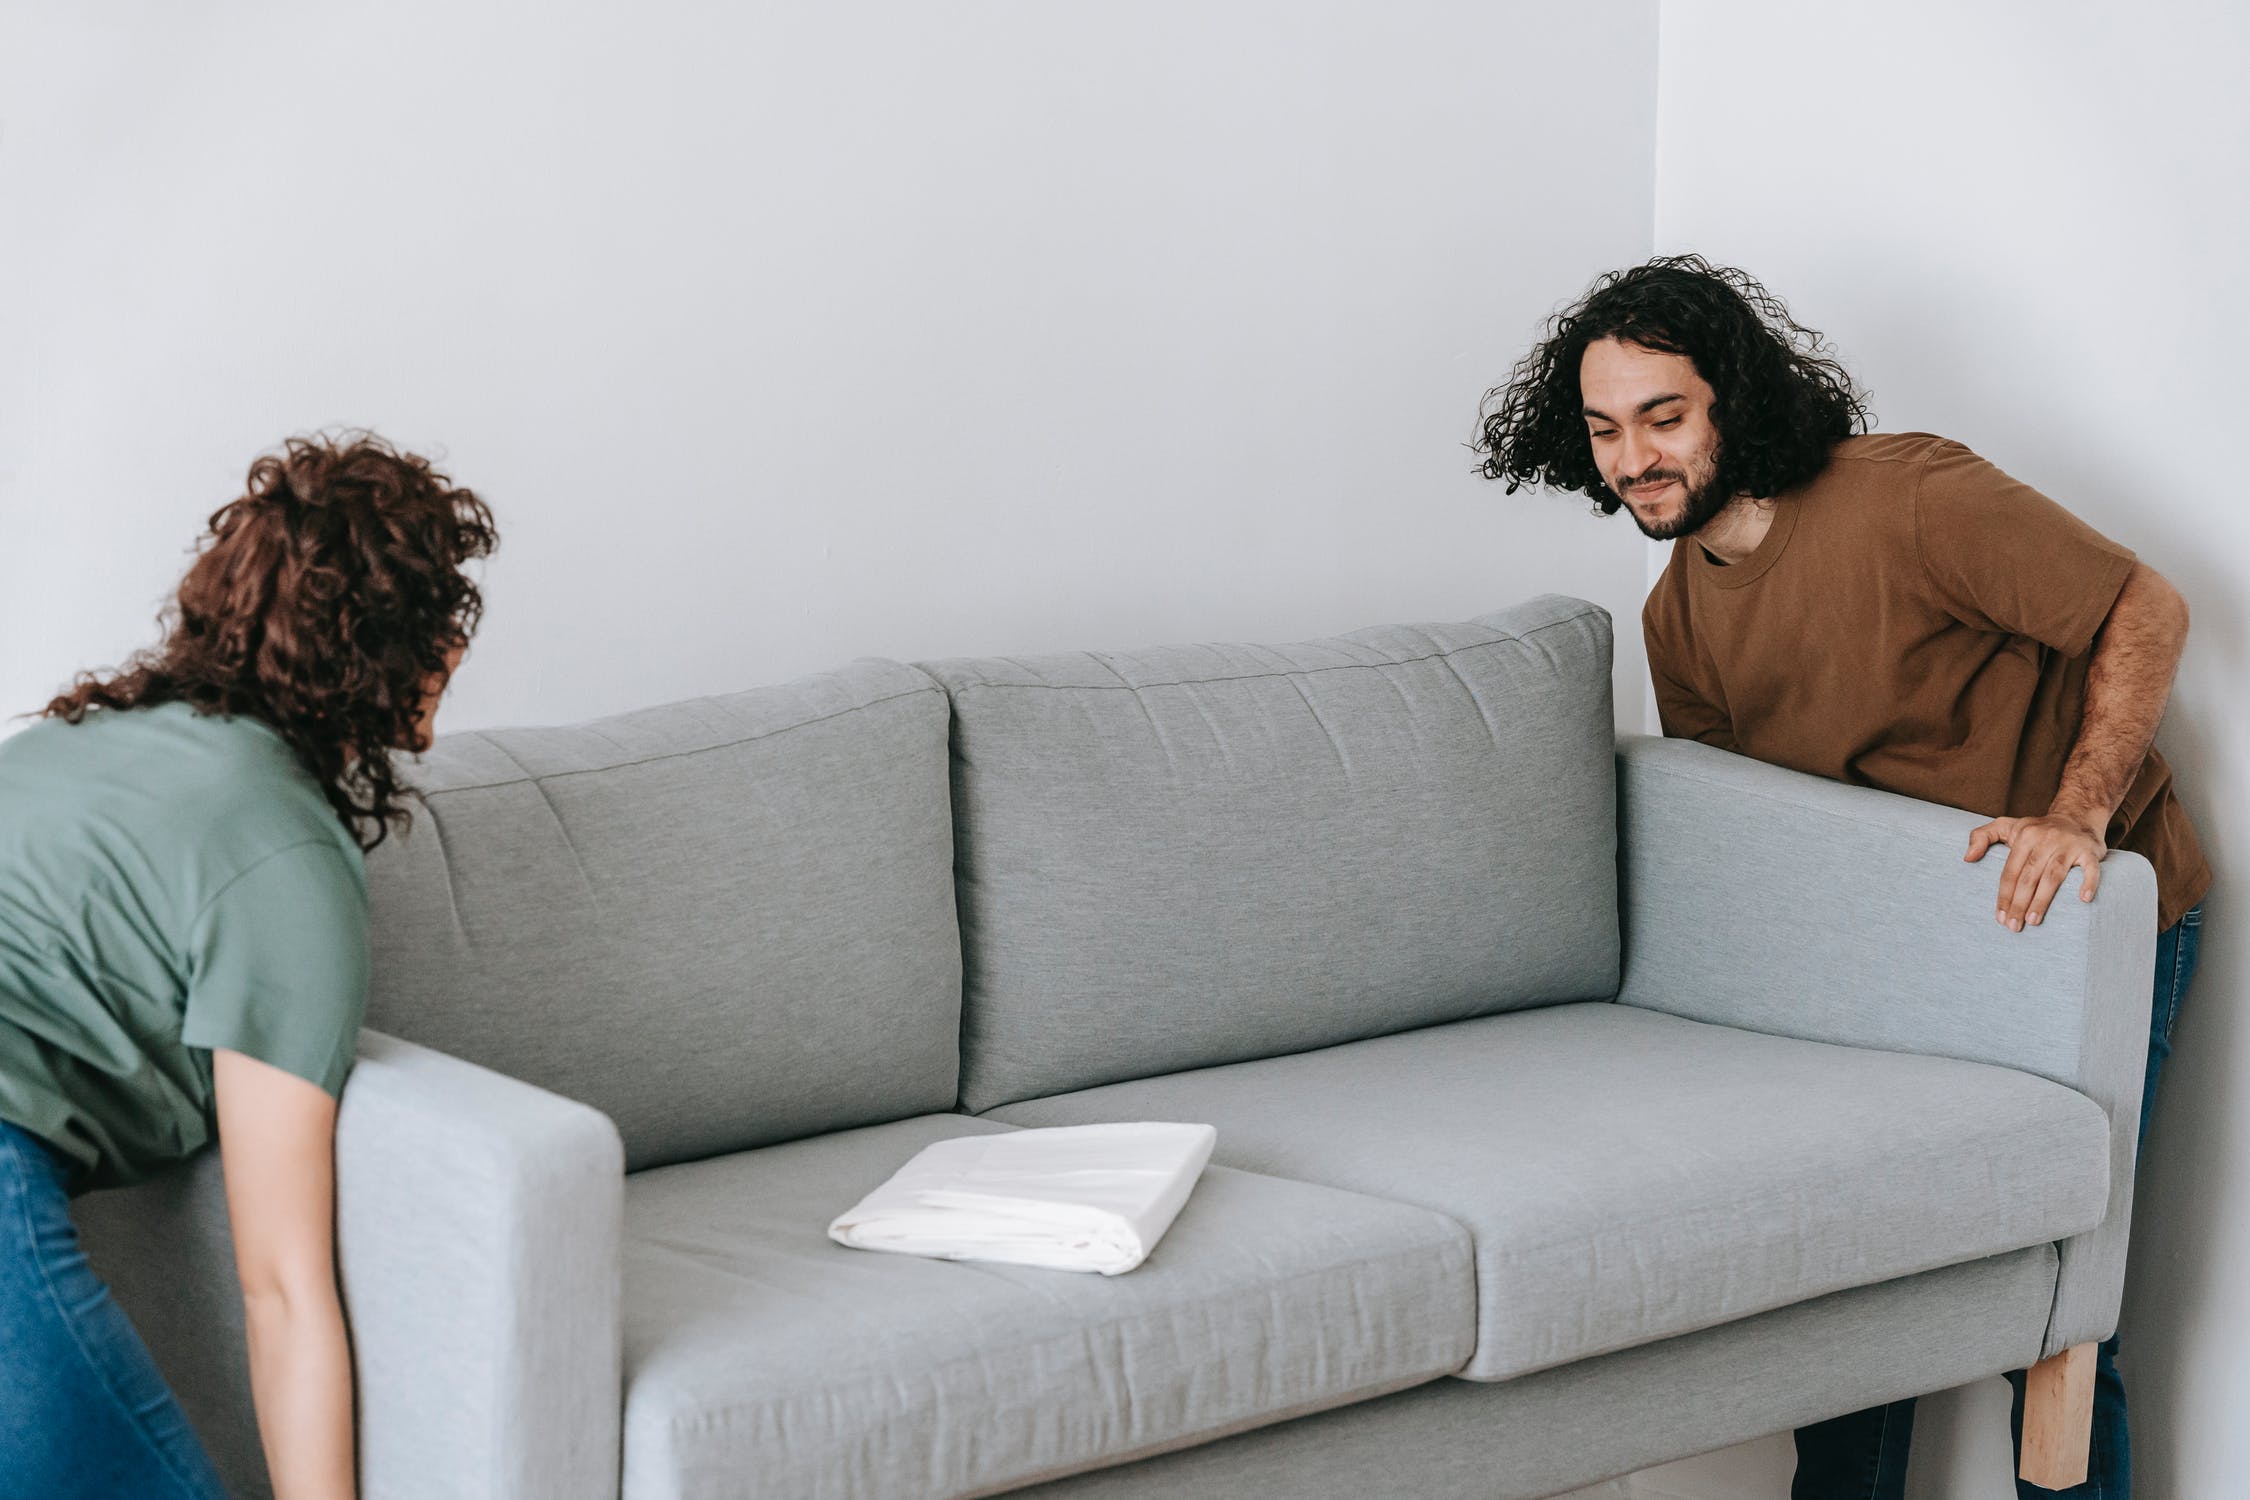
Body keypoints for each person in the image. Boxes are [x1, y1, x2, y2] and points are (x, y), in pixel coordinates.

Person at [1472, 254, 2208, 1499]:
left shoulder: (1909, 498)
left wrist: (2074, 818)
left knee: (2056, 1315)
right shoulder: (1676, 618)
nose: (1634, 458)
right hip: (1907, 958)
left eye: (1664, 417)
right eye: (1604, 430)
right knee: (1862, 1293)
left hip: (2084, 918)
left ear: (1733, 402)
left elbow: (2147, 606)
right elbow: (1753, 839)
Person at [0, 432, 498, 1499]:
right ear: (381, 650)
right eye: (440, 621)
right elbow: (280, 1287)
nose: (454, 655)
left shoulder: (64, 744)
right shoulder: (285, 856)